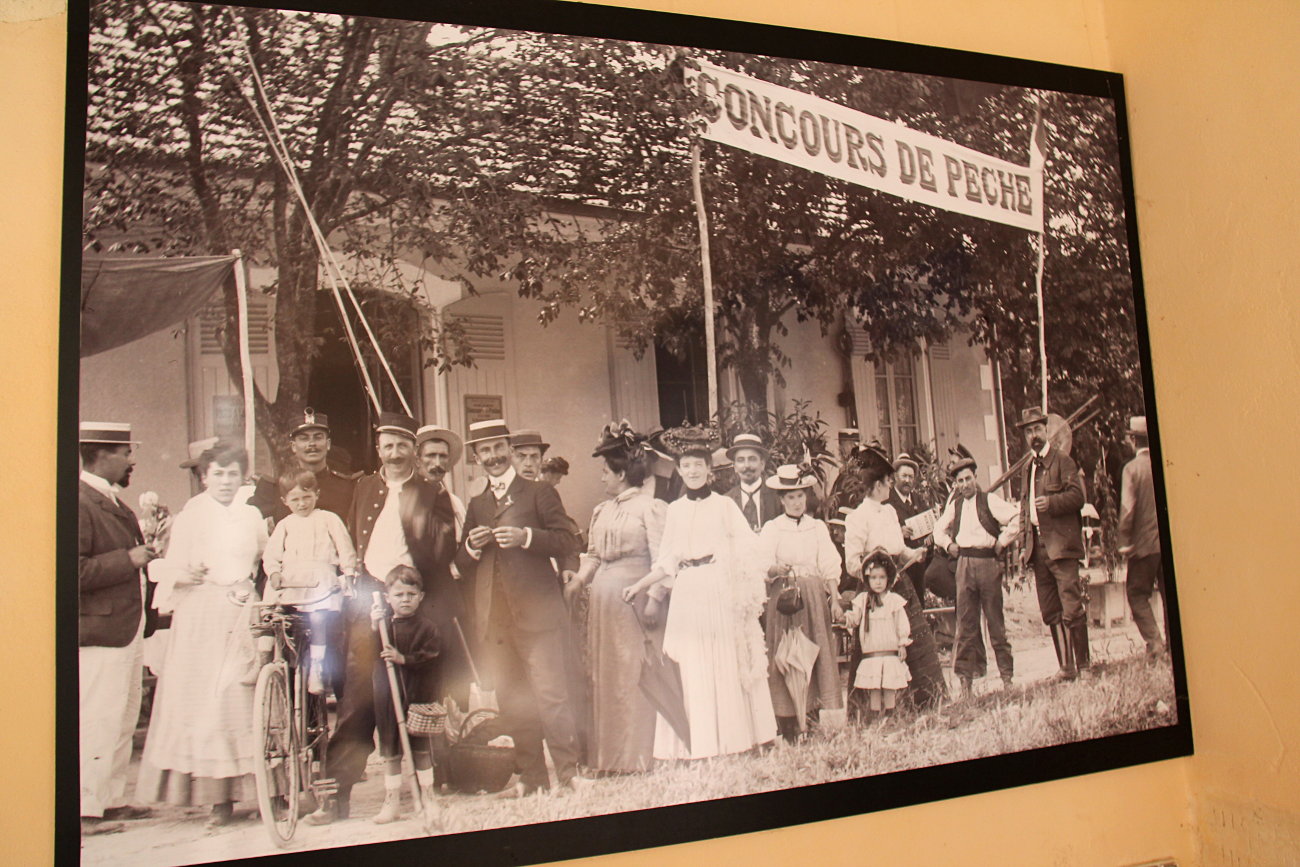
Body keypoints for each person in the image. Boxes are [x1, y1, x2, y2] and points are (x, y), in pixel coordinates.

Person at [310, 412, 462, 824]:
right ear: (378, 448)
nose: (394, 454)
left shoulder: (430, 490)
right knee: (359, 696)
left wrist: (424, 511)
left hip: (413, 602)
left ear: (413, 449)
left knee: (420, 695)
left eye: (401, 445)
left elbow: (441, 551)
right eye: (387, 445)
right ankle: (335, 798)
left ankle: (429, 788)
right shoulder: (364, 486)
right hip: (369, 599)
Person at [622, 425, 777, 760]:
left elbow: (750, 548)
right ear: (679, 470)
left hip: (717, 587)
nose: (692, 471)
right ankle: (697, 744)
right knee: (690, 664)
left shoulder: (724, 507)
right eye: (686, 466)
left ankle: (730, 741)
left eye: (698, 465)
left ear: (710, 469)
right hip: (687, 593)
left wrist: (739, 581)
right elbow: (667, 561)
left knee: (720, 661)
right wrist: (640, 585)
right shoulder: (674, 510)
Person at [453, 419, 589, 795]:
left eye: (498, 448)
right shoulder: (477, 504)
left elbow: (566, 541)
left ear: (508, 450)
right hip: (496, 621)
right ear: (476, 458)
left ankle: (568, 774)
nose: (493, 457)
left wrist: (526, 536)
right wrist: (471, 547)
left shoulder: (538, 492)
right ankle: (531, 778)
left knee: (551, 694)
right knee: (513, 701)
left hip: (538, 614)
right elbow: (461, 564)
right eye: (485, 451)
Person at [137, 443, 268, 827]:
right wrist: (182, 573)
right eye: (218, 474)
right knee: (212, 703)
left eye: (232, 474)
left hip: (242, 607)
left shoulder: (252, 515)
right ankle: (218, 801)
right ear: (204, 477)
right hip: (203, 613)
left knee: (247, 696)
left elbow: (264, 558)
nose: (226, 481)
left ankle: (266, 792)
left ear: (242, 477)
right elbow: (167, 565)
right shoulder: (192, 516)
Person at [563, 422, 667, 773]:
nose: (601, 479)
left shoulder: (649, 508)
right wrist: (578, 581)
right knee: (605, 675)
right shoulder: (601, 511)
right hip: (604, 605)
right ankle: (609, 758)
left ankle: (637, 756)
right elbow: (593, 555)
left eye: (605, 472)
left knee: (632, 673)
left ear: (622, 473)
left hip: (634, 601)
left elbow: (661, 558)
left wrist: (654, 597)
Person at [77, 422, 158, 835]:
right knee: (98, 718)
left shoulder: (114, 503)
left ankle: (109, 801)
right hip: (100, 633)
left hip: (126, 629)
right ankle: (84, 810)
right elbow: (72, 572)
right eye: (125, 452)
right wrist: (129, 560)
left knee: (123, 717)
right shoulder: (78, 501)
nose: (131, 460)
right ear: (101, 454)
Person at [842, 445, 948, 708]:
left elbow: (899, 550)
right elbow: (852, 565)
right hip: (873, 596)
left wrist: (914, 553)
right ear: (878, 485)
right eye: (889, 482)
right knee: (876, 649)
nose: (891, 487)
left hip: (901, 590)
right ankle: (879, 710)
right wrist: (876, 574)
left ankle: (922, 703)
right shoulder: (857, 518)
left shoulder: (889, 512)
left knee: (915, 644)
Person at [756, 465, 844, 740]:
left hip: (813, 598)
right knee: (785, 655)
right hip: (784, 599)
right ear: (781, 500)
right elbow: (761, 564)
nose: (796, 502)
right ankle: (787, 721)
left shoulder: (817, 528)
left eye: (800, 496)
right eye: (790, 497)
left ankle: (814, 716)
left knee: (814, 651)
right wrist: (775, 569)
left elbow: (829, 563)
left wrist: (835, 599)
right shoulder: (772, 529)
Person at [932, 447, 1020, 695]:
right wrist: (948, 545)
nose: (964, 484)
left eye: (968, 478)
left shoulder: (989, 500)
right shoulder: (955, 506)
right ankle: (966, 684)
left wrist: (1003, 541)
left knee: (995, 623)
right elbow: (937, 530)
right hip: (964, 565)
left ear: (975, 478)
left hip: (987, 563)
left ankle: (1007, 679)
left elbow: (1016, 517)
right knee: (966, 626)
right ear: (956, 485)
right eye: (959, 481)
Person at [261, 470, 358, 695]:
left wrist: (348, 573)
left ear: (317, 494)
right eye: (295, 499)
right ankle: (264, 655)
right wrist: (274, 573)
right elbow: (272, 554)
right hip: (291, 579)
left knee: (318, 618)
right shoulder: (284, 524)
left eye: (307, 497)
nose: (302, 504)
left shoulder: (328, 519)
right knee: (271, 610)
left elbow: (345, 548)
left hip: (319, 578)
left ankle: (317, 667)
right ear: (285, 501)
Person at [1016, 407, 1089, 680]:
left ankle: (1084, 667)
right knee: (1050, 611)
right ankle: (1066, 668)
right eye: (1028, 431)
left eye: (1037, 429)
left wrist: (1052, 503)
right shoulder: (1027, 468)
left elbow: (1078, 497)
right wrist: (1024, 548)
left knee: (1071, 607)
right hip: (1038, 549)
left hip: (1061, 547)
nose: (1033, 435)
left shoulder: (1063, 461)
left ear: (1046, 430)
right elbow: (1025, 509)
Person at [368, 566, 441, 824]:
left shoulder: (427, 627)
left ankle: (429, 796)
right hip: (389, 696)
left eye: (411, 594)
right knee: (391, 750)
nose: (405, 599)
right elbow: (368, 650)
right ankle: (392, 800)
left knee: (421, 749)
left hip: (417, 696)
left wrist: (404, 659)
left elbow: (431, 657)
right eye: (399, 594)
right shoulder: (383, 626)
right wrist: (374, 626)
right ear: (387, 597)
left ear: (421, 596)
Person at [249, 409, 360, 520]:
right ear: (293, 446)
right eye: (304, 438)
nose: (312, 444)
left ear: (328, 444)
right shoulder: (273, 490)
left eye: (318, 437)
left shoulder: (350, 487)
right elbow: (249, 522)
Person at [1118, 416, 1167, 655]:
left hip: (1144, 545)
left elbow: (1127, 509)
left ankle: (1155, 644)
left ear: (1132, 440)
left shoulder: (1132, 469)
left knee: (1137, 594)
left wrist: (1124, 541)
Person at [844, 552, 912, 722]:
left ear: (888, 579)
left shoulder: (894, 600)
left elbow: (901, 624)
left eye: (882, 577)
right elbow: (855, 619)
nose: (878, 581)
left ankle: (890, 716)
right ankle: (875, 718)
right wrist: (846, 617)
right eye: (874, 577)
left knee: (889, 685)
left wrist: (902, 644)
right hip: (872, 653)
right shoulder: (862, 600)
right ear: (867, 580)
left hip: (889, 652)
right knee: (874, 686)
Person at [887, 453, 932, 600]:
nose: (907, 480)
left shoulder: (918, 500)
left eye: (911, 477)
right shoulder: (887, 501)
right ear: (895, 477)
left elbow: (930, 524)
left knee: (919, 604)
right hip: (899, 566)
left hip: (919, 564)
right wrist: (898, 532)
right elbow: (881, 530)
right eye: (904, 476)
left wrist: (931, 535)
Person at [723, 432, 782, 532]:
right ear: (735, 467)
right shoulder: (726, 501)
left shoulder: (777, 498)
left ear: (762, 464)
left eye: (752, 459)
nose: (747, 466)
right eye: (741, 460)